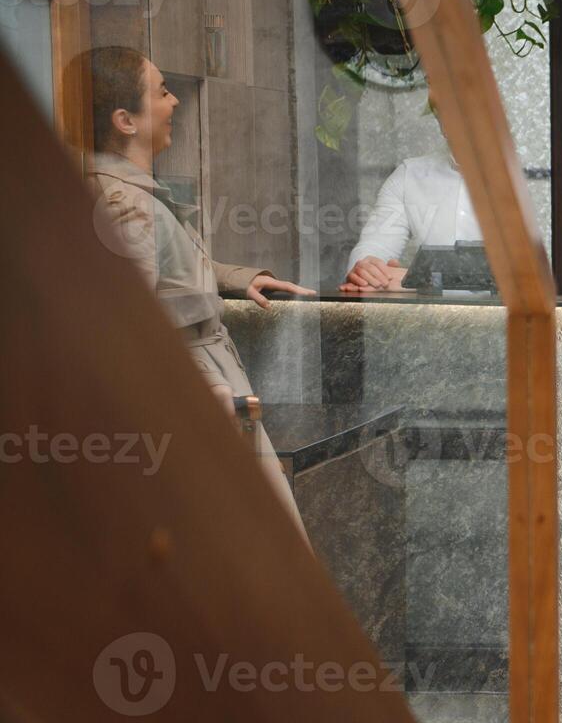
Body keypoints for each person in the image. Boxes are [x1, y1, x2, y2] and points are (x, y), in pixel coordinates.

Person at [75, 46, 314, 535]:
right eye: (161, 91)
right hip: (201, 384)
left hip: (202, 380)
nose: (174, 102)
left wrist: (233, 277)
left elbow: (155, 271)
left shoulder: (118, 190)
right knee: (265, 538)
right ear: (125, 120)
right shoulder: (126, 202)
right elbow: (129, 324)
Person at [340, 149, 480, 292]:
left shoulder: (504, 175)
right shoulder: (408, 175)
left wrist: (419, 281)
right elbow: (375, 246)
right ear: (442, 126)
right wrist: (368, 273)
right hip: (431, 314)